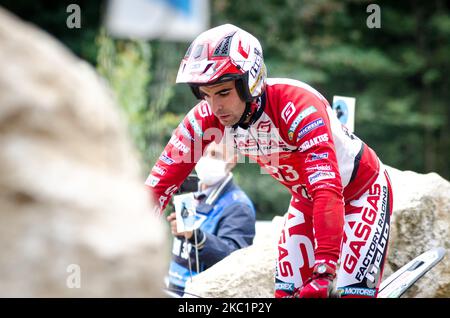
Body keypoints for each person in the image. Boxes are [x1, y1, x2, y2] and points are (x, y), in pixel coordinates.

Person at [145, 24, 393, 298]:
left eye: (223, 92)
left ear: (249, 82)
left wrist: (324, 271)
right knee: (286, 293)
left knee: (349, 294)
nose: (215, 106)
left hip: (361, 192)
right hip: (308, 199)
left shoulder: (297, 106)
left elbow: (327, 188)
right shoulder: (206, 117)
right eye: (206, 94)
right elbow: (160, 183)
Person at [164, 142, 256, 296]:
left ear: (232, 161)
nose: (206, 159)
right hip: (174, 286)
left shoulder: (239, 206)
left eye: (215, 154)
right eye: (204, 152)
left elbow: (235, 259)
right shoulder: (190, 191)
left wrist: (195, 236)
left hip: (204, 295)